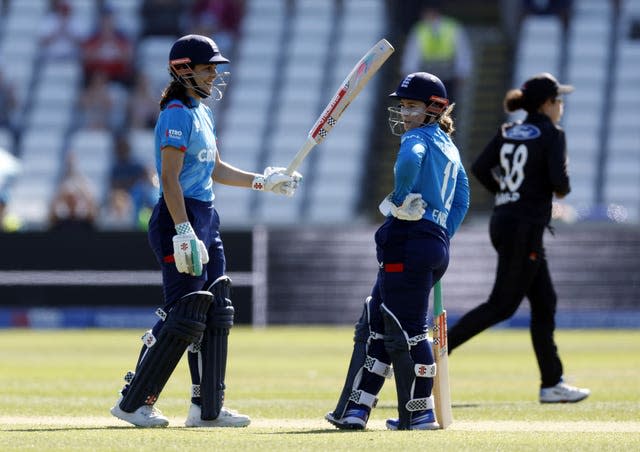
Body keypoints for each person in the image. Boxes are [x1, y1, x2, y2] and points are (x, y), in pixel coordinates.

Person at [110, 34, 302, 428]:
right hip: (176, 217)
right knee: (184, 312)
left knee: (216, 307)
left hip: (205, 216)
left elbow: (215, 168)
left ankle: (207, 408)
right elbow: (168, 178)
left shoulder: (201, 112)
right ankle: (133, 402)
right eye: (208, 67)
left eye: (216, 67)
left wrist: (263, 181)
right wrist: (182, 230)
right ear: (184, 70)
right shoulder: (176, 113)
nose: (215, 74)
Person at [325, 72, 469, 431]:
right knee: (379, 323)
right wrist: (440, 233)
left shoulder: (417, 139)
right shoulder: (451, 147)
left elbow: (410, 162)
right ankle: (357, 409)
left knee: (409, 330)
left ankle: (419, 413)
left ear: (434, 109)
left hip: (408, 240)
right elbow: (462, 199)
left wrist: (401, 198)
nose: (405, 114)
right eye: (403, 106)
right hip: (431, 243)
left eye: (412, 107)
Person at [447, 72, 590, 404]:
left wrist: (508, 193)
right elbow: (561, 184)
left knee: (545, 301)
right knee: (502, 305)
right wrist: (544, 191)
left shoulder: (509, 130)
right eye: (559, 100)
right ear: (547, 104)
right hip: (524, 228)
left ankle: (552, 382)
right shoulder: (552, 133)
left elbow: (481, 167)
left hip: (505, 222)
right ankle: (430, 353)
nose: (562, 106)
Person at [401, 1, 472, 104]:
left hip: (448, 77)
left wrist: (462, 73)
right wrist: (409, 74)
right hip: (427, 78)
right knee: (429, 107)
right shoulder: (420, 29)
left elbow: (462, 52)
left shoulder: (452, 27)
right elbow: (412, 55)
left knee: (445, 107)